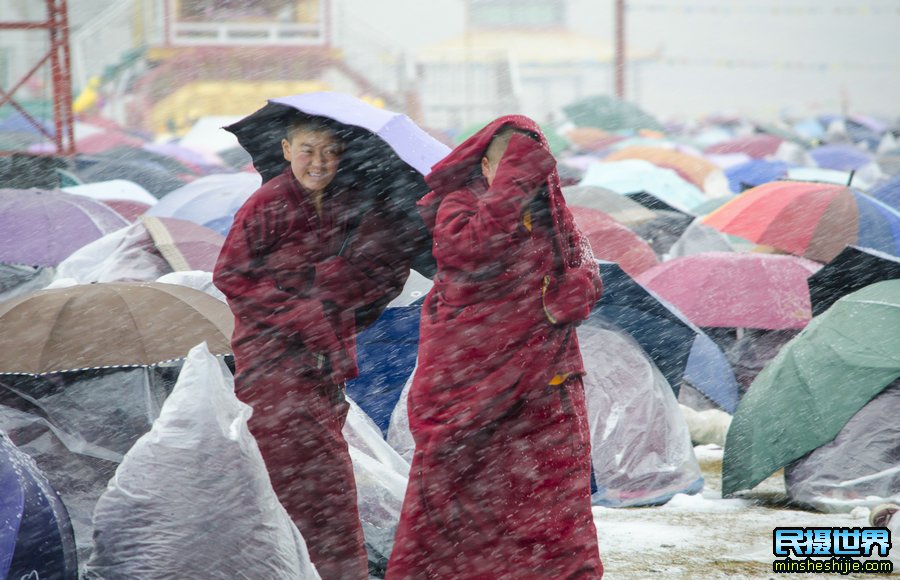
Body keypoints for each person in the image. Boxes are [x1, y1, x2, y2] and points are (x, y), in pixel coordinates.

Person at [386, 116, 604, 578]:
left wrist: (554, 301)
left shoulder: (553, 218)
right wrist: (511, 189)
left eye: (525, 171)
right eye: (505, 168)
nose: (516, 179)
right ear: (485, 167)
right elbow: (469, 253)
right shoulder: (459, 205)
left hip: (544, 383)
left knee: (549, 505)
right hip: (472, 386)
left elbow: (587, 274)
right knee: (459, 499)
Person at [213, 113, 412, 579]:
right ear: (285, 150)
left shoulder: (353, 207)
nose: (318, 162)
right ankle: (293, 566)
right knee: (297, 474)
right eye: (307, 150)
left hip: (327, 361)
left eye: (330, 152)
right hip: (273, 361)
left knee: (328, 480)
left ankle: (330, 568)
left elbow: (384, 276)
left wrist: (335, 290)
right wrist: (301, 310)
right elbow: (231, 276)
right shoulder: (268, 202)